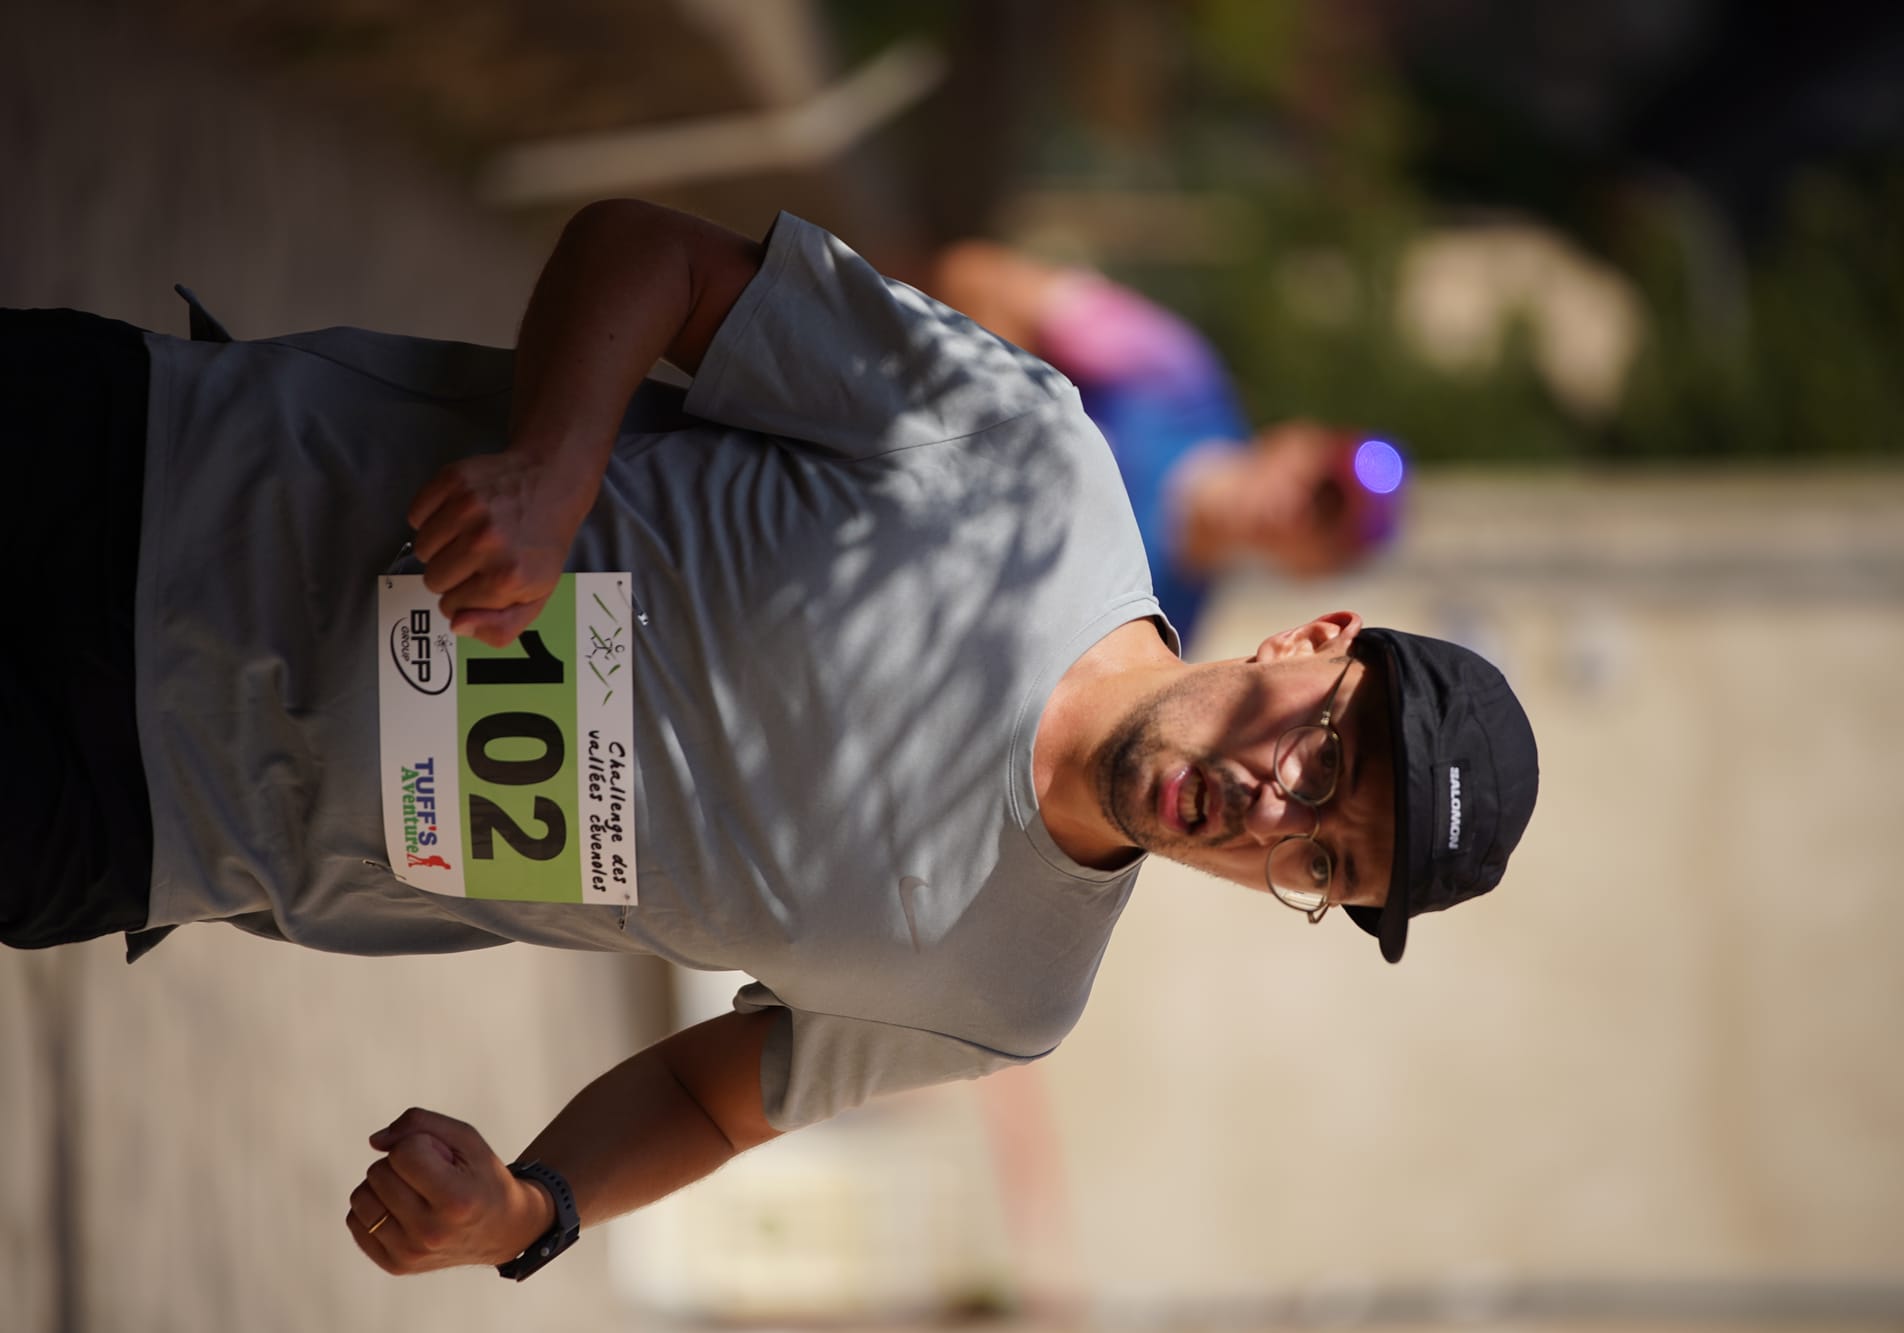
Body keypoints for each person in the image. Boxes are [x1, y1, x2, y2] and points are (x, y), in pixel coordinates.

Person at [1, 199, 1537, 1281]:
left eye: (1322, 860)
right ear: (1311, 644)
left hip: (150, 817)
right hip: (160, 467)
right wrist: (550, 470)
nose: (1274, 813)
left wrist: (525, 1215)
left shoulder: (1012, 992)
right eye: (1329, 764)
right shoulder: (1032, 466)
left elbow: (710, 1098)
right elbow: (647, 257)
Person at [927, 240, 1407, 642]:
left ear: (1311, 572)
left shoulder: (1157, 630)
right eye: (1321, 488)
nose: (1298, 510)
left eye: (1326, 526)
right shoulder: (1173, 370)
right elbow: (979, 278)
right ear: (1294, 440)